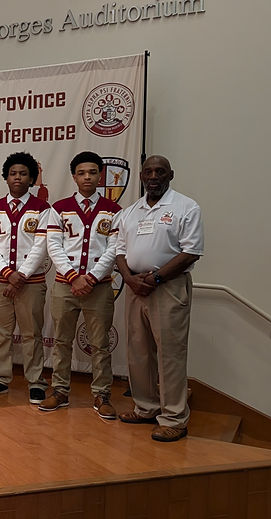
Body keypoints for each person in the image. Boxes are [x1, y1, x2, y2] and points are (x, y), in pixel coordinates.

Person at [115, 155, 203, 442]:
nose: (154, 176)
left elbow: (191, 251)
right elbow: (119, 250)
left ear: (171, 175)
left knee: (170, 355)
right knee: (138, 352)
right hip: (134, 287)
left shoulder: (186, 207)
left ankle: (174, 418)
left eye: (160, 172)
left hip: (167, 287)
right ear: (141, 176)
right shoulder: (131, 212)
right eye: (149, 171)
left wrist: (155, 278)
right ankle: (146, 407)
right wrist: (129, 278)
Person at [41, 151, 121, 419]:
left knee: (100, 343)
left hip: (98, 287)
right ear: (74, 176)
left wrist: (92, 278)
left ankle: (102, 394)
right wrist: (74, 277)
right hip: (66, 285)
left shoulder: (114, 211)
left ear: (101, 176)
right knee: (61, 341)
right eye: (82, 173)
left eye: (93, 172)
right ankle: (60, 390)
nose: (87, 177)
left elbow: (114, 249)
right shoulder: (59, 208)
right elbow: (54, 245)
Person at [0, 152, 51, 404]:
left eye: (23, 174)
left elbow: (41, 245)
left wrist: (21, 275)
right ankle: (0, 378)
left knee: (32, 333)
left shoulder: (42, 209)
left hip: (30, 282)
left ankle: (35, 381)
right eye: (13, 174)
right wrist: (9, 274)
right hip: (0, 280)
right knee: (1, 332)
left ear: (31, 178)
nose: (17, 178)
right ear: (6, 178)